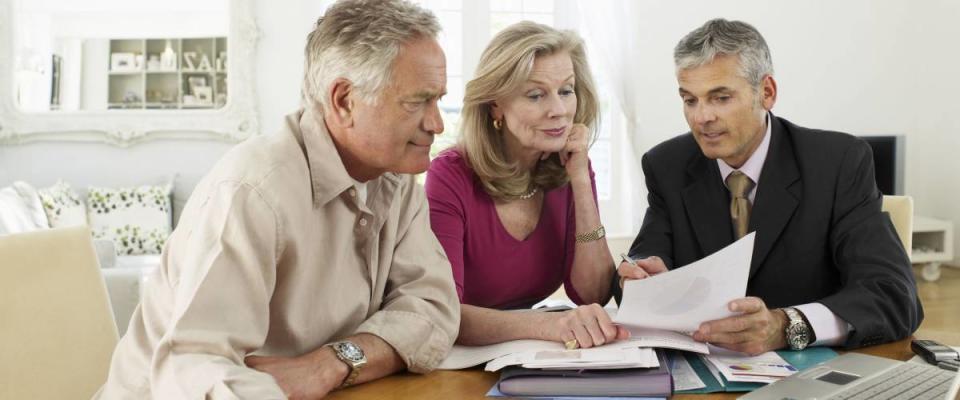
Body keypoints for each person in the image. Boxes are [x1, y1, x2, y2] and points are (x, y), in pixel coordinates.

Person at [95, 1, 460, 398]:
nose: (436, 124)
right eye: (416, 101)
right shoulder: (252, 192)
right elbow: (193, 371)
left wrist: (333, 363)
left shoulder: (396, 179)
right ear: (344, 101)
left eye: (438, 100)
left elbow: (433, 308)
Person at [615, 18, 922, 355]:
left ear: (767, 92)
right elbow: (646, 261)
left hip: (812, 369)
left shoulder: (838, 163)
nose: (702, 118)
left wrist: (786, 326)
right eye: (690, 100)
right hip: (706, 367)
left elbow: (893, 296)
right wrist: (643, 280)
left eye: (720, 98)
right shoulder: (666, 165)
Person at [425, 21, 627, 350]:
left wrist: (579, 179)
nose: (559, 110)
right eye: (536, 95)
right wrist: (550, 324)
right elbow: (443, 313)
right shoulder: (450, 175)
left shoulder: (570, 165)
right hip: (458, 360)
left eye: (566, 90)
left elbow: (593, 293)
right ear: (495, 106)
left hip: (524, 352)